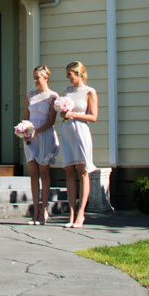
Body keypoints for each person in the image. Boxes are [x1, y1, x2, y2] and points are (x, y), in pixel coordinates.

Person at [59, 61, 98, 228]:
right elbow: (63, 111)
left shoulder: (89, 92)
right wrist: (63, 113)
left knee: (82, 171)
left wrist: (74, 114)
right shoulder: (67, 91)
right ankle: (71, 212)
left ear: (79, 74)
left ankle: (81, 212)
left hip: (81, 131)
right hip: (67, 130)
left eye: (70, 74)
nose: (68, 77)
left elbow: (93, 116)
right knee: (69, 170)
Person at [22, 65, 59, 225]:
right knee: (33, 173)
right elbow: (26, 116)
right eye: (34, 77)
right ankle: (35, 210)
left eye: (38, 77)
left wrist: (37, 130)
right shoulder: (30, 96)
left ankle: (44, 209)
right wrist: (24, 131)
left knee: (44, 172)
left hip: (44, 135)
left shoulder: (53, 96)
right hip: (31, 137)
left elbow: (51, 121)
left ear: (46, 78)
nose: (35, 80)